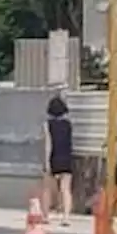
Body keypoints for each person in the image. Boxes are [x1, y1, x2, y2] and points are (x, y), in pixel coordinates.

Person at [43, 96, 74, 226]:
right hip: (66, 158)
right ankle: (66, 217)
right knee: (65, 189)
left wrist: (46, 162)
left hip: (54, 157)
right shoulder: (68, 124)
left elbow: (48, 144)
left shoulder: (47, 124)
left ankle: (46, 216)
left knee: (48, 189)